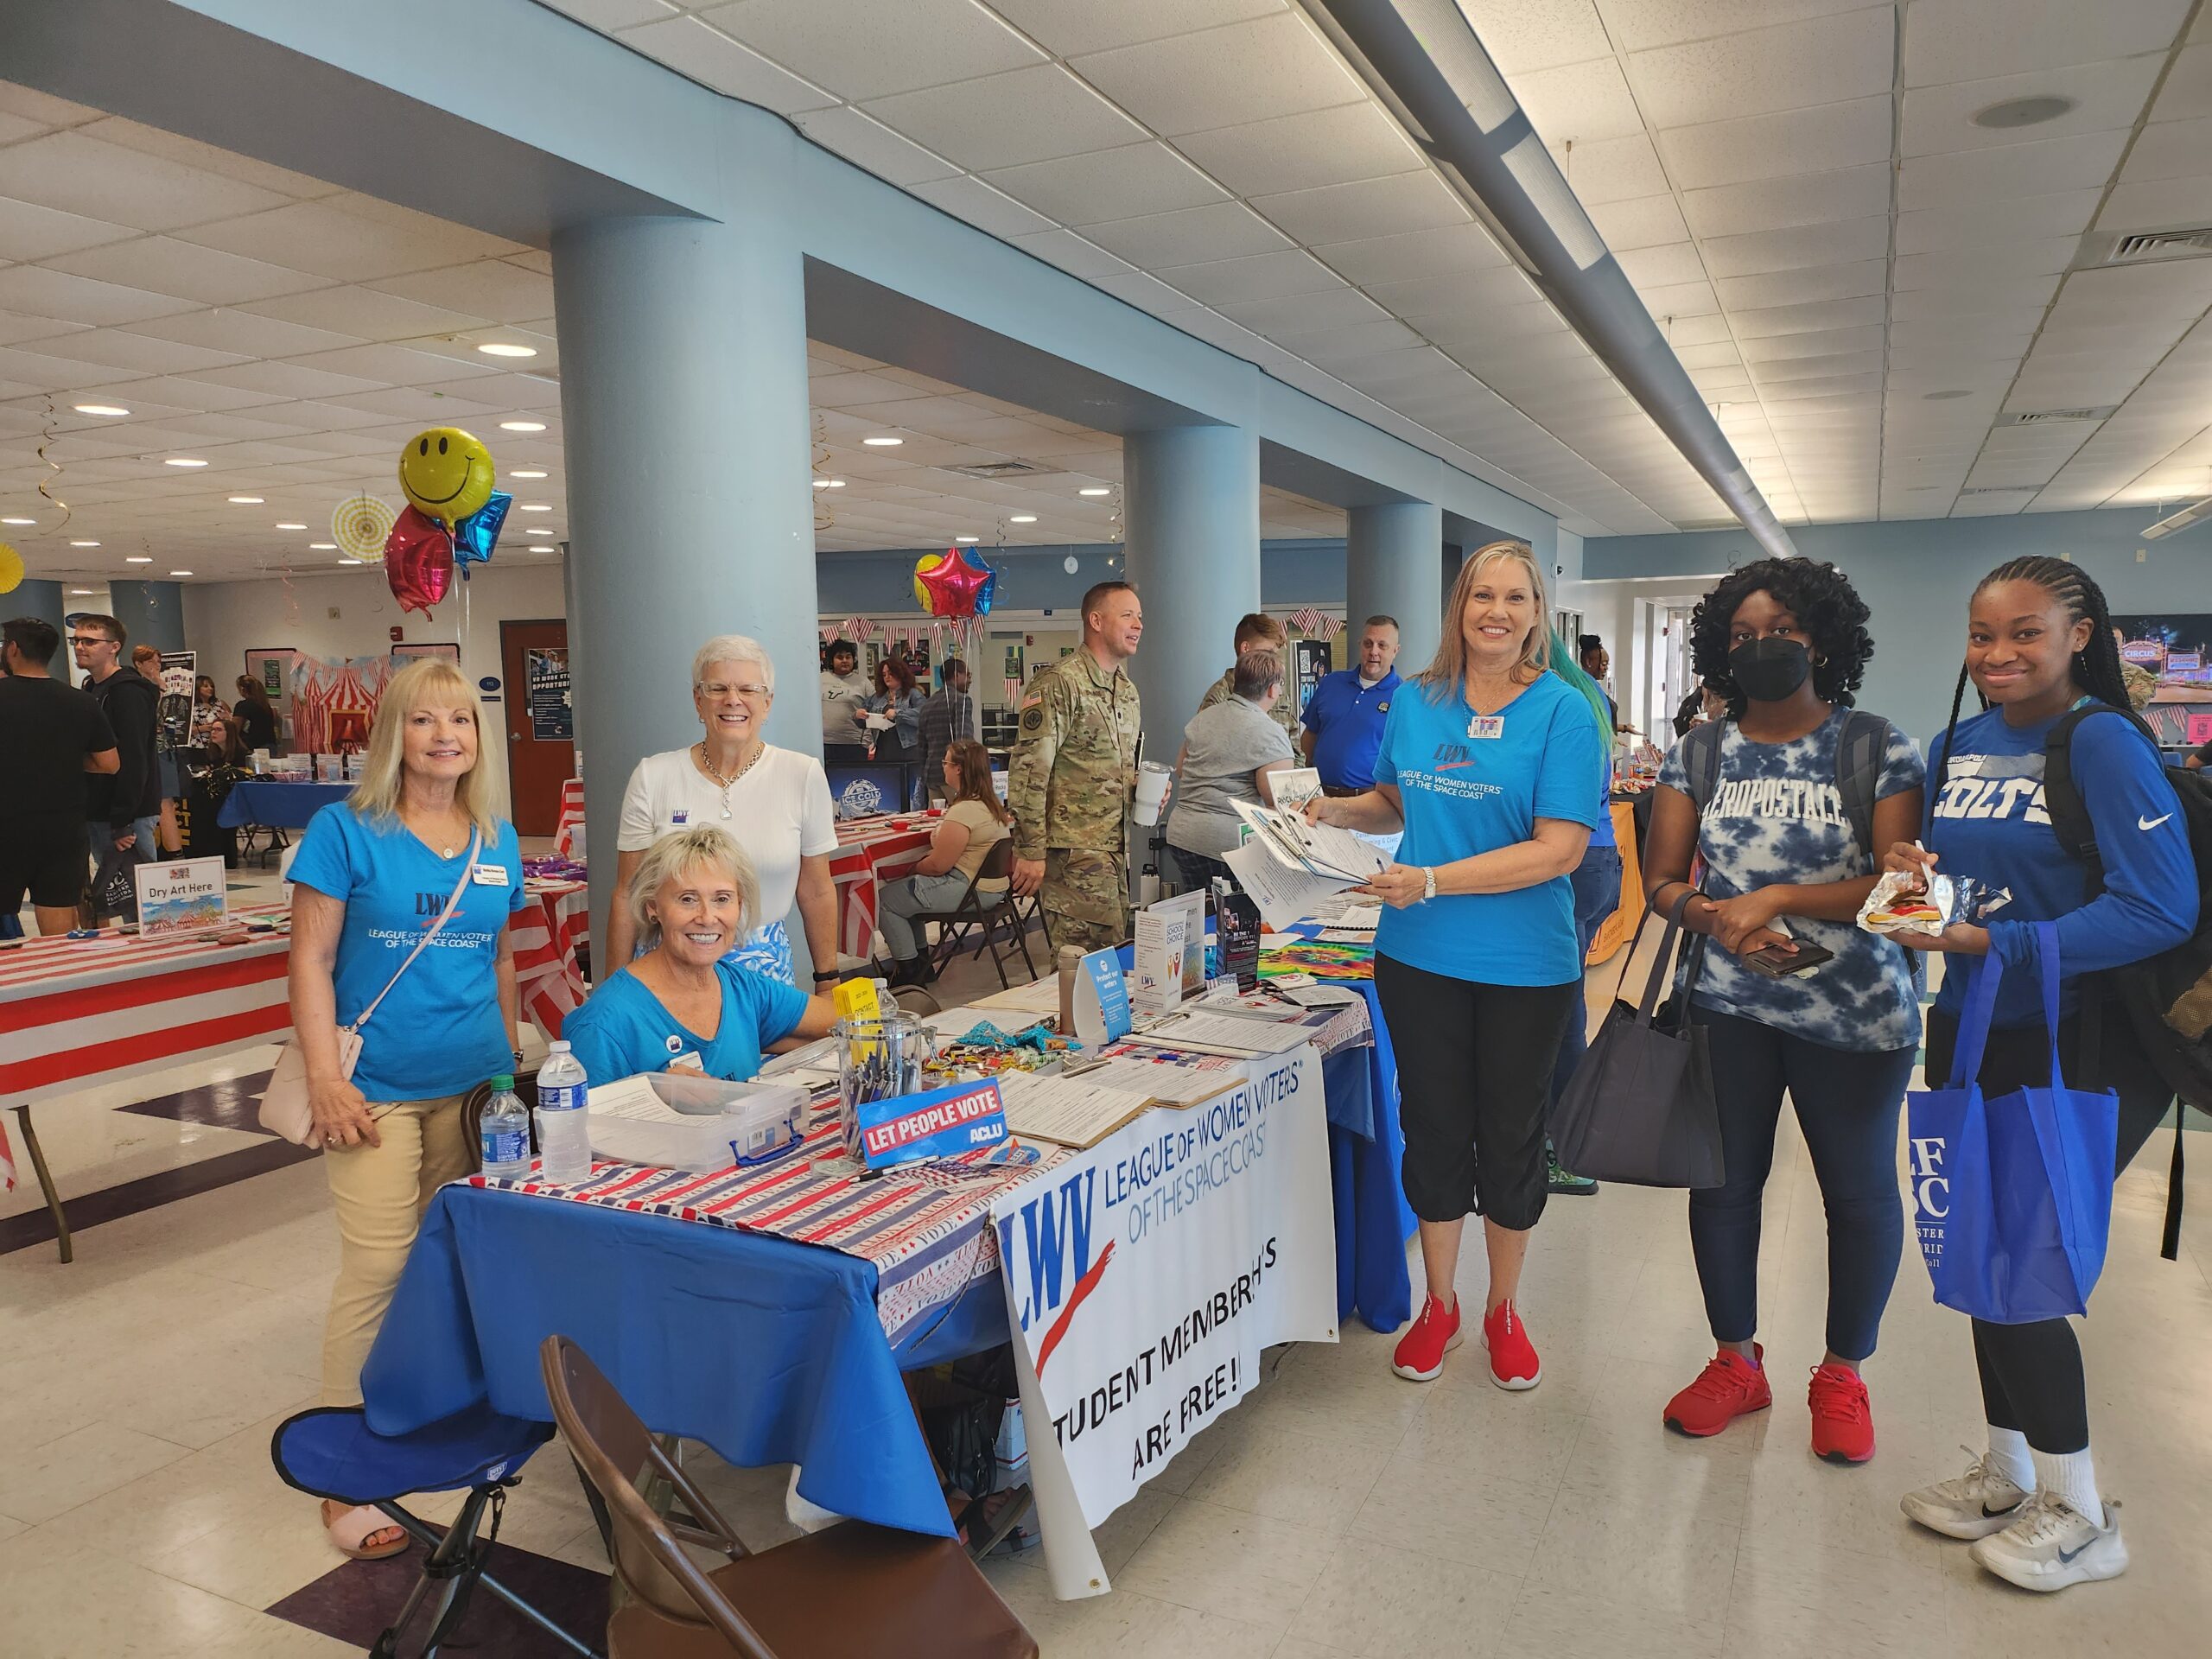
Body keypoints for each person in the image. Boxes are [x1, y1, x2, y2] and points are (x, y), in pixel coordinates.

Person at [1889, 556, 2192, 1592]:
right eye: (1982, 635)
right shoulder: (1954, 743)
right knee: (1974, 1246)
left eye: (2025, 633)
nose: (1998, 655)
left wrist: (2001, 947)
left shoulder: (2100, 741)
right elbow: (1968, 881)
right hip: (1968, 1023)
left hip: (2077, 1039)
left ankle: (2082, 1510)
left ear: (2078, 636)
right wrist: (1914, 882)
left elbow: (2159, 907)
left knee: (2021, 1260)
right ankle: (2010, 1473)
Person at [1638, 560, 1926, 1465]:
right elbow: (1659, 883)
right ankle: (1735, 1361)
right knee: (1722, 1188)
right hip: (1730, 1007)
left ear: (1824, 640)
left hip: (1856, 1016)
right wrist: (1717, 917)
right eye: (1741, 636)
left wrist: (1773, 899)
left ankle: (1842, 1373)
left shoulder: (1876, 744)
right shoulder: (1699, 752)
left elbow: (1897, 885)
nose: (1761, 647)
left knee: (1857, 1193)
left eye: (1783, 630)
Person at [1306, 542, 1601, 1389]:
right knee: (1433, 1128)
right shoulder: (1418, 703)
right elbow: (1397, 800)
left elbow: (1557, 851)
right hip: (1419, 957)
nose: (1496, 612)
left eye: (1514, 597)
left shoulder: (1562, 712)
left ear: (1535, 613)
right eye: (1481, 596)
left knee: (1509, 1138)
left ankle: (1502, 1309)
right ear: (1459, 608)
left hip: (1524, 966)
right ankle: (1439, 1305)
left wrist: (1432, 879)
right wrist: (1325, 806)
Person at [286, 658, 525, 1560]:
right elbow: (308, 959)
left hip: (471, 1090)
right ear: (394, 732)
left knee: (449, 1259)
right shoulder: (342, 830)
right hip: (371, 1088)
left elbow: (498, 960)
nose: (445, 737)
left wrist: (508, 1071)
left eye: (460, 721)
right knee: (380, 1261)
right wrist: (322, 1075)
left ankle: (429, 1398)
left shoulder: (493, 838)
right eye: (424, 721)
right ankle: (345, 1472)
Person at [609, 635, 840, 989]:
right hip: (667, 970)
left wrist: (828, 979)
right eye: (718, 688)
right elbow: (627, 892)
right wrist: (615, 988)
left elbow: (816, 888)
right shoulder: (653, 776)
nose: (733, 700)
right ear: (698, 701)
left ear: (768, 702)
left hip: (763, 973)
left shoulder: (802, 775)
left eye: (748, 689)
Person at [564, 827, 840, 1085]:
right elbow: (582, 1132)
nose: (707, 918)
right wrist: (653, 1096)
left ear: (739, 906)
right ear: (653, 908)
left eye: (722, 899)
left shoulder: (742, 989)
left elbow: (843, 1021)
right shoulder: (604, 1024)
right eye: (687, 899)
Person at [1006, 580, 1143, 954]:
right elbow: (1030, 771)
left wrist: (1141, 788)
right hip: (1071, 855)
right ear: (1096, 621)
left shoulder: (1126, 691)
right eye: (1127, 615)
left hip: (1113, 853)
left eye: (1140, 617)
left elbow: (1107, 767)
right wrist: (1030, 849)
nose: (1138, 624)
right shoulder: (1060, 683)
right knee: (1077, 971)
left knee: (1110, 966)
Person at [1540, 629, 1619, 1198]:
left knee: (1560, 1013)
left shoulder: (1552, 700)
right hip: (1600, 860)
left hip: (1571, 864)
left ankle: (1567, 1150)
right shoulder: (1587, 690)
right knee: (1567, 1006)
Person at [1, 617, 118, 935]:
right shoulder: (81, 701)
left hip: (6, 824)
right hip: (62, 827)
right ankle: (61, 981)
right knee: (58, 919)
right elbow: (110, 764)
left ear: (12, 649)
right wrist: (63, 761)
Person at [876, 740, 1011, 987]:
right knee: (907, 897)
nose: (943, 767)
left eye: (945, 763)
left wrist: (912, 868)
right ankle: (920, 965)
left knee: (886, 901)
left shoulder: (965, 811)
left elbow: (939, 866)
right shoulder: (990, 804)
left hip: (971, 889)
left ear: (958, 769)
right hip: (994, 889)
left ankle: (907, 971)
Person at [1166, 647, 1294, 893]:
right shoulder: (1269, 732)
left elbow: (1181, 768)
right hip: (1229, 846)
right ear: (1272, 689)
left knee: (1202, 917)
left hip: (1183, 838)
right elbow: (1277, 800)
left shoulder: (1203, 718)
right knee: (1236, 923)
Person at [71, 613, 160, 917]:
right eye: (77, 640)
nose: (80, 647)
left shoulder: (128, 692)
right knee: (118, 891)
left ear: (114, 647)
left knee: (142, 900)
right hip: (99, 807)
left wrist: (123, 819)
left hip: (127, 812)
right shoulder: (91, 687)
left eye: (90, 641)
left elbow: (134, 759)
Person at [1300, 615, 1402, 795]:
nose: (1373, 652)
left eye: (1382, 645)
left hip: (1368, 803)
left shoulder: (1403, 696)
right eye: (1368, 644)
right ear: (1360, 645)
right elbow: (1310, 735)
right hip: (1319, 796)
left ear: (1395, 650)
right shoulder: (1331, 683)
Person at [1198, 612, 1300, 743]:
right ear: (1246, 648)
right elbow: (1204, 749)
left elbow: (1296, 752)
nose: (1273, 660)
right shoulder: (1218, 696)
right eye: (1268, 652)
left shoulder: (1277, 692)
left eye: (1275, 654)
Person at [916, 657, 979, 803]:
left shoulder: (927, 704)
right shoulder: (962, 700)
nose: (970, 680)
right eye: (968, 675)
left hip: (932, 775)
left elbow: (921, 745)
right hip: (955, 776)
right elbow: (964, 742)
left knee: (935, 822)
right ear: (956, 675)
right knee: (963, 818)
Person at [863, 654, 925, 763]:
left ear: (900, 674)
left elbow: (924, 715)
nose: (887, 677)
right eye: (884, 674)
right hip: (884, 749)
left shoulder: (913, 694)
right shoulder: (877, 697)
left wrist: (898, 713)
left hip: (909, 749)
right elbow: (862, 718)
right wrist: (858, 715)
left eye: (891, 673)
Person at [819, 639, 870, 764]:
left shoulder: (863, 683)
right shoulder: (819, 679)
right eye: (840, 657)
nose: (845, 661)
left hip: (854, 744)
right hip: (823, 743)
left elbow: (874, 710)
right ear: (831, 660)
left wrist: (867, 741)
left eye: (848, 657)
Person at [2113, 625, 2157, 711]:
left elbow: (2139, 703)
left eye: (2116, 640)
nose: (2112, 643)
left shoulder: (2137, 673)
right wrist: (2126, 693)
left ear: (2122, 644)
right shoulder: (2084, 671)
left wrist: (2123, 695)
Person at [233, 674, 280, 752]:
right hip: (270, 744)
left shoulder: (242, 706)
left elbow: (234, 730)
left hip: (253, 746)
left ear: (242, 689)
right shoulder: (265, 705)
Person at [190, 674, 228, 744]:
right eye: (206, 686)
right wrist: (202, 728)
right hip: (197, 745)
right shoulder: (190, 706)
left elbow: (230, 724)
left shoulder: (220, 704)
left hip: (218, 745)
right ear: (197, 689)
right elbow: (183, 730)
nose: (210, 688)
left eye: (212, 686)